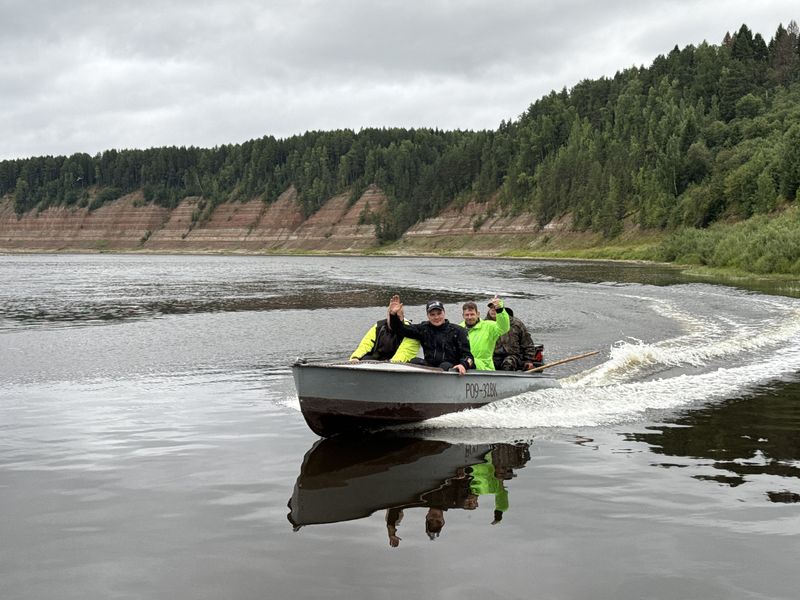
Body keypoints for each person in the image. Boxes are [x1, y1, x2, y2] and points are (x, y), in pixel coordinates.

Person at [388, 295, 474, 374]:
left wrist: (463, 365)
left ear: (444, 312)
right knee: (415, 361)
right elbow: (400, 329)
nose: (436, 317)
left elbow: (469, 357)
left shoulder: (458, 331)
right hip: (430, 370)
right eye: (432, 315)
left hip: (452, 372)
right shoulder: (423, 329)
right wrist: (393, 315)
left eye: (439, 314)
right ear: (427, 316)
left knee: (445, 365)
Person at [350, 297, 420, 362]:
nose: (393, 320)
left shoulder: (412, 331)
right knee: (364, 359)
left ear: (402, 317)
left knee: (415, 361)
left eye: (397, 317)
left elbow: (405, 352)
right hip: (379, 361)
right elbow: (365, 345)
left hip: (399, 364)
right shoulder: (378, 327)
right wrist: (355, 358)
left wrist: (390, 364)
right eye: (391, 316)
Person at [459, 296, 510, 370]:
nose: (469, 317)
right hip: (463, 366)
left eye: (472, 314)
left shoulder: (489, 326)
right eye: (467, 315)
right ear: (463, 316)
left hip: (484, 368)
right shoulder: (458, 328)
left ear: (478, 314)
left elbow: (504, 328)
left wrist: (500, 309)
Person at [487, 304, 540, 371]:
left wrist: (529, 360)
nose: (493, 310)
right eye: (491, 308)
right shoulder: (484, 324)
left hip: (513, 356)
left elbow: (527, 343)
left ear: (502, 310)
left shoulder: (516, 324)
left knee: (508, 363)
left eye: (496, 308)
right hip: (492, 356)